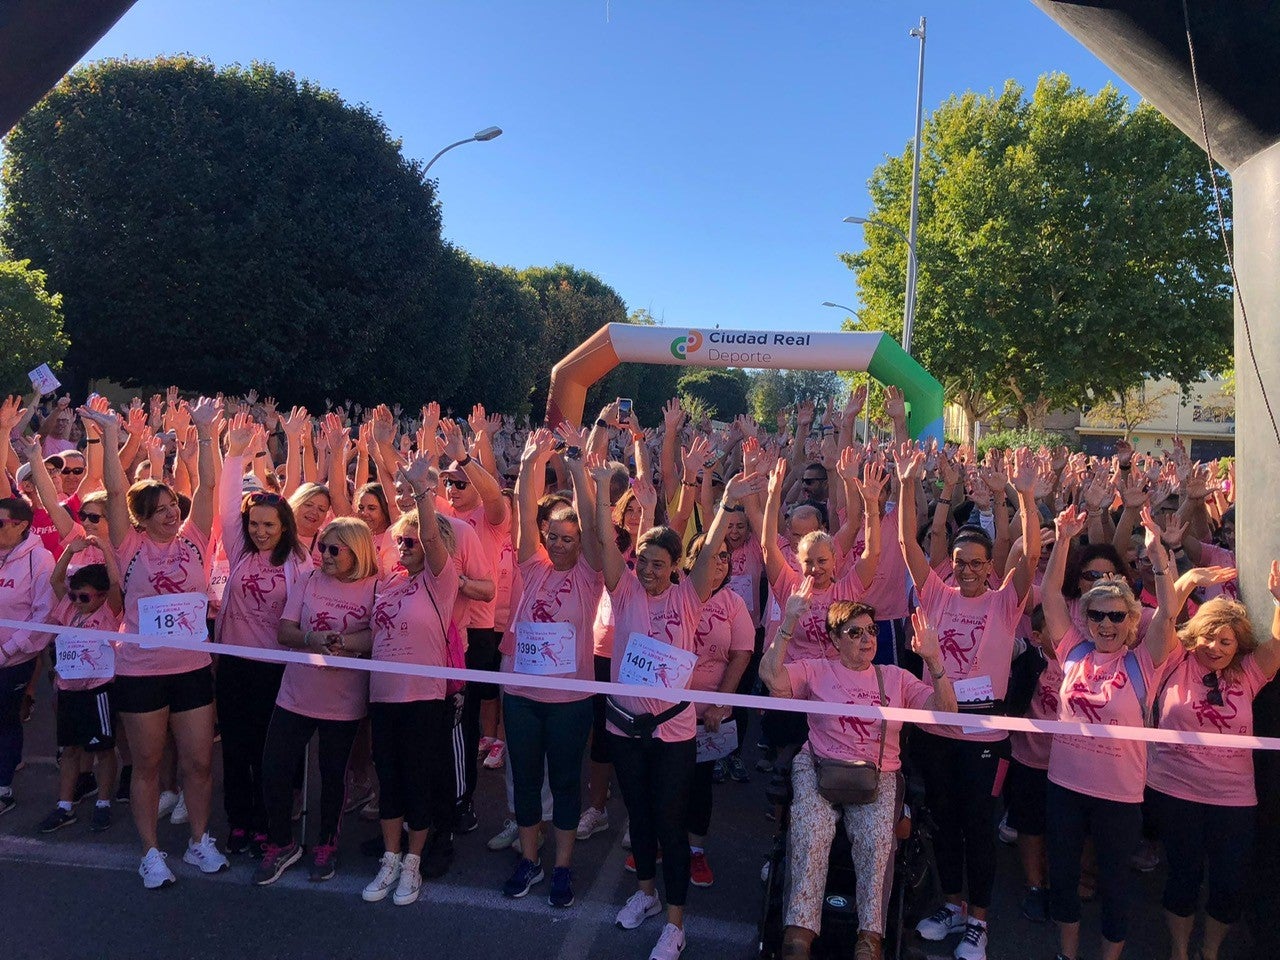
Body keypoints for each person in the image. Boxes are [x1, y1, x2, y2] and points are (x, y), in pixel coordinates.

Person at [594, 458, 753, 960]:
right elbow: (602, 540)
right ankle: (644, 895)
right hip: (624, 728)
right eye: (642, 560)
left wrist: (727, 498)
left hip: (672, 733)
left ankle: (675, 923)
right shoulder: (622, 594)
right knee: (638, 818)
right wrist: (597, 488)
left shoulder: (690, 597)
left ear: (676, 567)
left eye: (658, 563)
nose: (647, 570)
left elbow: (708, 552)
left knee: (669, 822)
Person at [897, 445, 1040, 960]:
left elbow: (1029, 555)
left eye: (978, 563)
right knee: (944, 819)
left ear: (989, 566)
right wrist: (908, 483)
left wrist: (1023, 496)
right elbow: (907, 546)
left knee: (979, 826)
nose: (969, 570)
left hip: (984, 736)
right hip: (937, 730)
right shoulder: (935, 594)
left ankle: (979, 921)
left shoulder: (1005, 601)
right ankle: (952, 904)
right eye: (960, 562)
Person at [79, 399, 228, 889]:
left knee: (199, 761)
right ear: (139, 520)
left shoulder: (194, 540)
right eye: (159, 511)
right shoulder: (129, 545)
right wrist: (104, 435)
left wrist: (206, 433)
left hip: (190, 668)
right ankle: (150, 851)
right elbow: (115, 488)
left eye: (172, 509)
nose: (170, 516)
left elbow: (208, 485)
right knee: (145, 764)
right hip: (141, 670)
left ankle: (200, 839)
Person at [762, 585, 956, 960]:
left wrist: (934, 662)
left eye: (872, 631)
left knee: (876, 838)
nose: (867, 639)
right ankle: (798, 935)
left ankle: (870, 939)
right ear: (834, 639)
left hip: (876, 772)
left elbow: (945, 715)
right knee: (811, 827)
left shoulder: (895, 678)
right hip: (820, 765)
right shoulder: (817, 670)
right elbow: (771, 678)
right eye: (855, 632)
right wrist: (787, 624)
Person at [1039, 504, 1176, 960]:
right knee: (1064, 877)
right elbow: (1051, 598)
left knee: (1116, 885)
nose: (1106, 625)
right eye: (1097, 615)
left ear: (1131, 621)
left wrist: (1158, 556)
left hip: (1119, 797)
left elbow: (1170, 615)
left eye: (1117, 617)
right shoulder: (1073, 651)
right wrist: (1061, 540)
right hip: (1064, 788)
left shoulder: (1142, 664)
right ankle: (1067, 954)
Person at [1145, 564, 1280, 960]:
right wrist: (1187, 583)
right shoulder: (1174, 661)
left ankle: (1210, 951)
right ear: (1194, 635)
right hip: (1176, 791)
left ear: (1237, 645)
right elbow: (1166, 617)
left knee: (1228, 884)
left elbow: (1275, 644)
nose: (1215, 647)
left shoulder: (1248, 675)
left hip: (1234, 800)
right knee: (1183, 878)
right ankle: (1181, 951)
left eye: (1225, 641)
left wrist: (1279, 600)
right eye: (1207, 636)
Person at [498, 429, 603, 907]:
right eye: (553, 537)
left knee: (563, 782)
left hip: (570, 702)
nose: (559, 545)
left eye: (569, 538)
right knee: (524, 778)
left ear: (580, 541)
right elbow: (524, 510)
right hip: (521, 697)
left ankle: (561, 866)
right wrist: (528, 463)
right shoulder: (533, 564)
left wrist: (579, 467)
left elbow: (592, 522)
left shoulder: (589, 574)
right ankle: (529, 859)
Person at [254, 517, 376, 886]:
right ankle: (282, 843)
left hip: (343, 698)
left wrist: (344, 642)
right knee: (274, 767)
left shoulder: (375, 586)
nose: (324, 554)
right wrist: (311, 638)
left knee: (333, 775)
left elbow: (376, 635)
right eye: (322, 546)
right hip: (296, 692)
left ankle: (326, 843)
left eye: (334, 549)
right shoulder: (307, 579)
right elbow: (284, 630)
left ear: (357, 552)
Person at [361, 456, 459, 907]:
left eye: (412, 540)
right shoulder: (387, 583)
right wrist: (336, 639)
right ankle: (390, 856)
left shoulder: (441, 580)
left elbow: (430, 536)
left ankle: (414, 863)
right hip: (383, 697)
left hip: (423, 699)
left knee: (419, 781)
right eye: (399, 540)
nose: (404, 546)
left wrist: (422, 493)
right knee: (390, 779)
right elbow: (373, 632)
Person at [215, 414, 311, 857]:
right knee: (235, 748)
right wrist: (234, 454)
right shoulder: (238, 549)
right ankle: (240, 821)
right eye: (254, 524)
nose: (260, 531)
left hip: (277, 669)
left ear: (284, 526)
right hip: (234, 664)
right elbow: (224, 504)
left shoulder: (299, 560)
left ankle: (269, 824)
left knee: (267, 751)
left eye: (269, 525)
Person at [682, 531, 753, 887]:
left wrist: (721, 703)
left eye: (725, 556)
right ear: (692, 559)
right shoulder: (676, 592)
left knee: (698, 785)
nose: (719, 562)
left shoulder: (733, 603)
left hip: (707, 712)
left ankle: (695, 851)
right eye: (711, 554)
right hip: (667, 711)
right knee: (664, 781)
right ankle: (661, 843)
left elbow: (741, 654)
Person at [38, 538, 122, 833]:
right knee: (70, 749)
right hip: (68, 690)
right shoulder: (68, 609)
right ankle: (64, 806)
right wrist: (69, 551)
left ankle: (103, 802)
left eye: (84, 598)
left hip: (98, 690)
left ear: (100, 597)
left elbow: (115, 583)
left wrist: (107, 550)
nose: (76, 601)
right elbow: (55, 580)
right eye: (73, 596)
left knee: (103, 749)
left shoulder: (109, 612)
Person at [0, 496, 55, 817]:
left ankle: (3, 787)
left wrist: (7, 650)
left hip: (13, 662)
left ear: (21, 526)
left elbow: (43, 618)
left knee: (6, 721)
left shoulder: (41, 561)